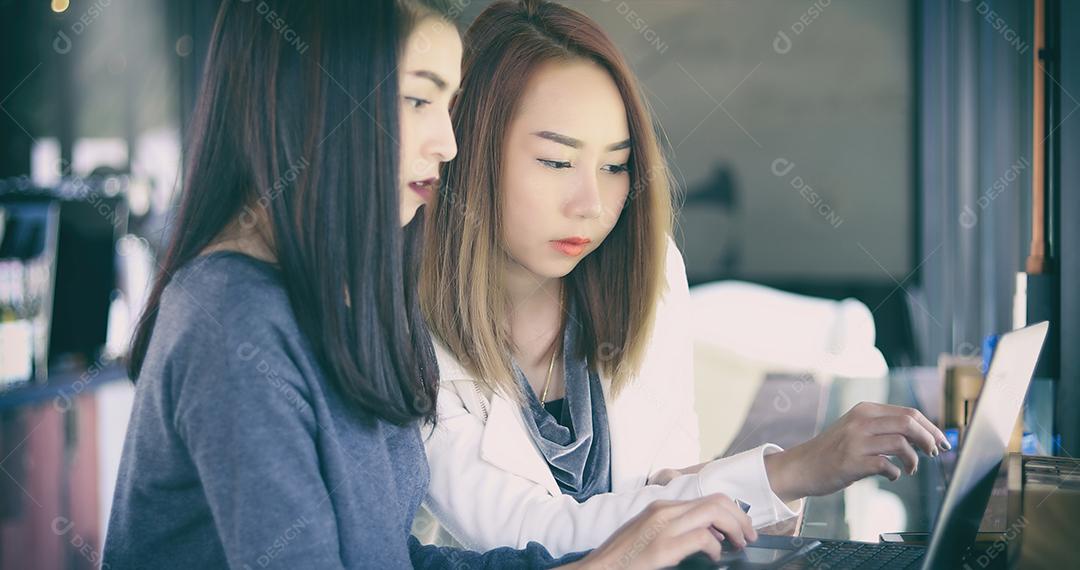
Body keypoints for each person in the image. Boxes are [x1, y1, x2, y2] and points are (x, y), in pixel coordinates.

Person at [103, 1, 752, 568]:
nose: (448, 143)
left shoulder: (347, 298)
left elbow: (390, 561)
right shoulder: (232, 320)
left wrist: (614, 556)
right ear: (317, 96)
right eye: (419, 99)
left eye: (449, 104)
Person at [418, 0, 951, 557]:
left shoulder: (649, 272)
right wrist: (788, 471)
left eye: (614, 165)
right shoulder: (403, 322)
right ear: (469, 151)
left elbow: (666, 489)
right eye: (556, 162)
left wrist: (747, 488)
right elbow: (527, 535)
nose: (592, 204)